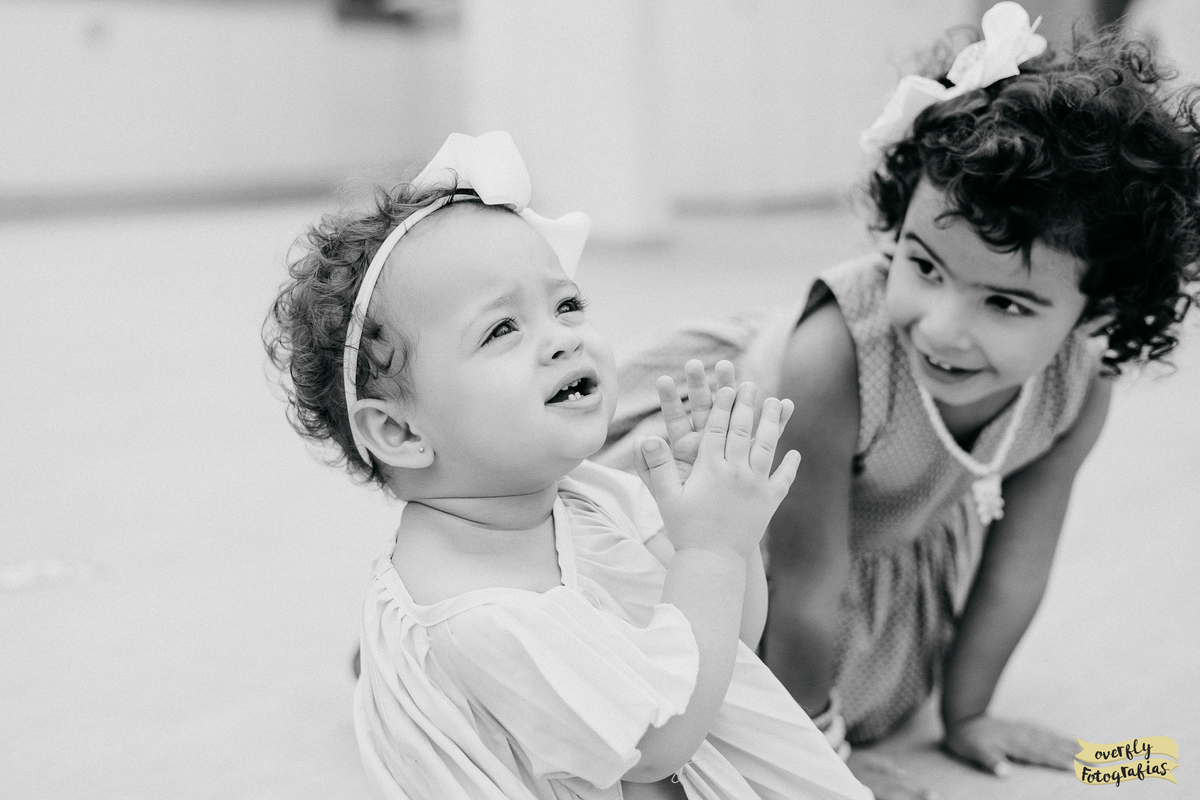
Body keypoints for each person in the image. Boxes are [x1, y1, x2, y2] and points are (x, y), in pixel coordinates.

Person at [597, 4, 1200, 798]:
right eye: (924, 266)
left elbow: (1020, 565)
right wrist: (814, 757)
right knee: (627, 695)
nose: (944, 328)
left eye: (1006, 304)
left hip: (875, 535)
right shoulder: (835, 354)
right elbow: (804, 580)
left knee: (880, 698)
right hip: (730, 515)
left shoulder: (1078, 391)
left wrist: (968, 715)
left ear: (1094, 312)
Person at [264, 131, 872, 800]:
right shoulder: (479, 616)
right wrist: (713, 550)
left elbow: (726, 658)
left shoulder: (589, 498)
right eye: (502, 329)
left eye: (566, 305)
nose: (561, 339)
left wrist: (725, 534)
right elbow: (659, 742)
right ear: (401, 432)